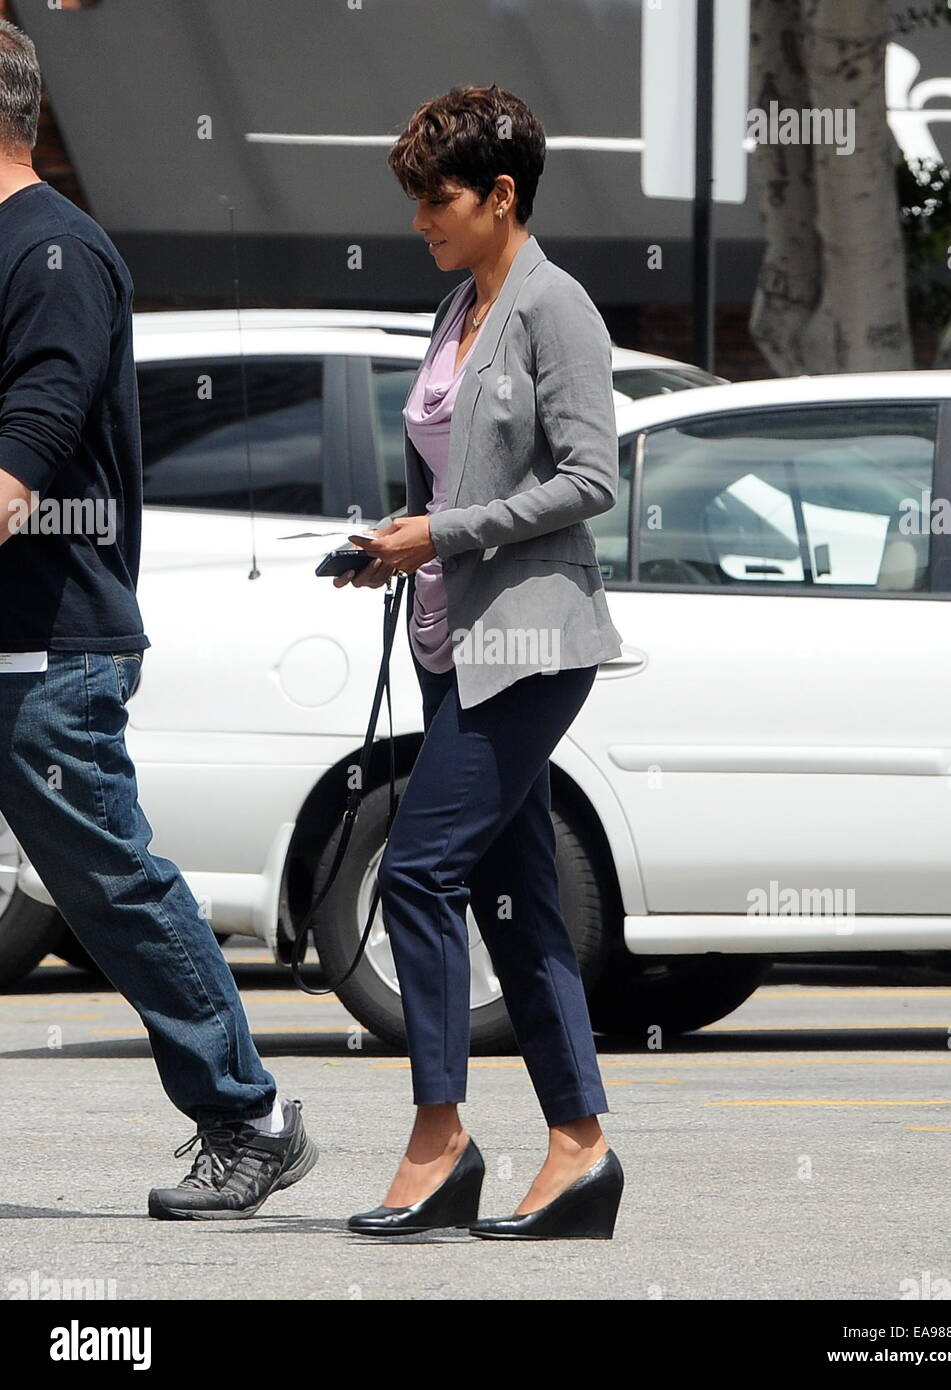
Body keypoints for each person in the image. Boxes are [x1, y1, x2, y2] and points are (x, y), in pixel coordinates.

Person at [0, 17, 316, 1219]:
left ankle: (249, 1113)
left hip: (51, 648)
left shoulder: (53, 259)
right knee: (104, 884)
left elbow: (25, 449)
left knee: (109, 885)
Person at [334, 84, 625, 1239]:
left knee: (416, 870)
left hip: (533, 646)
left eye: (438, 200)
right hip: (451, 640)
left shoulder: (557, 308)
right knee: (518, 904)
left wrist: (438, 536)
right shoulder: (457, 307)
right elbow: (448, 473)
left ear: (503, 195)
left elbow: (592, 478)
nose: (421, 222)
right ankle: (580, 1148)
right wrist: (387, 552)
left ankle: (441, 1136)